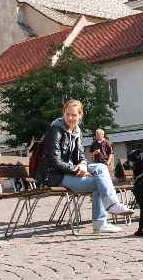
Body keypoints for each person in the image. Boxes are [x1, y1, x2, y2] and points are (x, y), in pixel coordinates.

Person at [43, 99, 133, 233]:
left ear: (80, 115)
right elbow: (54, 161)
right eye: (67, 114)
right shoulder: (56, 130)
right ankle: (102, 220)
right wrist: (76, 170)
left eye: (74, 115)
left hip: (70, 170)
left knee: (101, 168)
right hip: (56, 175)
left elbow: (80, 156)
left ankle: (111, 206)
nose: (70, 118)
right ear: (64, 113)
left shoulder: (77, 131)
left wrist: (83, 166)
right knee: (99, 183)